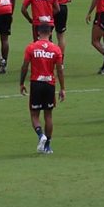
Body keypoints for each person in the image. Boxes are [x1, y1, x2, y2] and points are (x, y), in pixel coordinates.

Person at [20, 24, 65, 153]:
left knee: (34, 115)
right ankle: (48, 146)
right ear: (50, 33)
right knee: (48, 115)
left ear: (38, 33)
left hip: (36, 83)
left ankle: (41, 135)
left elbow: (24, 67)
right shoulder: (56, 49)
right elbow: (60, 70)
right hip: (50, 84)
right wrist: (62, 88)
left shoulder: (31, 48)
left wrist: (21, 83)